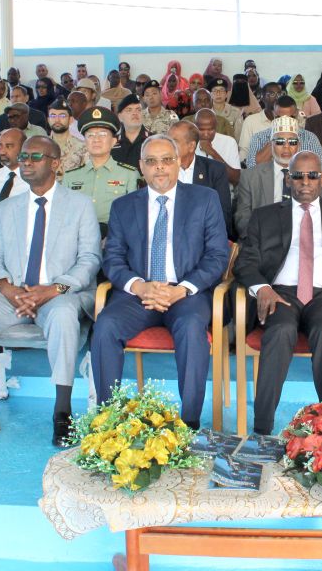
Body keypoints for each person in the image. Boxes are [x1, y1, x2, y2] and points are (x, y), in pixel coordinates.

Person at [0, 136, 101, 446]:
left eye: (36, 157)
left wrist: (51, 290)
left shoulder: (80, 205)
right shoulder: (6, 208)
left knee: (64, 315)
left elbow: (90, 260)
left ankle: (62, 412)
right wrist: (7, 288)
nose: (26, 162)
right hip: (13, 296)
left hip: (60, 294)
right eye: (24, 156)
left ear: (55, 163)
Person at [91, 135, 230, 428]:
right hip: (138, 295)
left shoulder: (204, 199)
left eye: (167, 160)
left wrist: (182, 290)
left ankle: (189, 422)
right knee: (105, 326)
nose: (160, 167)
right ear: (141, 166)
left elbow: (217, 256)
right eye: (152, 161)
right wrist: (139, 286)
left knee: (191, 328)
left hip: (186, 294)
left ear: (178, 163)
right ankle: (108, 420)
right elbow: (112, 259)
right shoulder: (123, 206)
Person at [234, 151, 322, 435]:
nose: (305, 182)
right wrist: (262, 288)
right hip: (280, 294)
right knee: (280, 330)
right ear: (288, 179)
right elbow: (245, 263)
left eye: (312, 175)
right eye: (297, 176)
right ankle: (262, 428)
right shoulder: (264, 216)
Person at [234, 116, 322, 241]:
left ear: (299, 145)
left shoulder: (316, 175)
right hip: (262, 241)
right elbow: (242, 218)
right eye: (279, 141)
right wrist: (262, 241)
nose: (286, 146)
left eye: (292, 142)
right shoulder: (250, 176)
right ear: (271, 144)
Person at [62, 107, 140, 236]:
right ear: (85, 142)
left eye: (103, 134)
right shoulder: (71, 176)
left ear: (113, 141)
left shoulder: (129, 175)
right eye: (90, 135)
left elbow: (133, 216)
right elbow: (65, 215)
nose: (96, 139)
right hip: (78, 237)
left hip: (115, 238)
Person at [168, 121, 234, 240]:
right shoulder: (163, 170)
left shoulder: (214, 170)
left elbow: (223, 214)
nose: (168, 145)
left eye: (174, 141)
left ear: (191, 146)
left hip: (204, 238)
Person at [246, 95, 322, 170]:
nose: (285, 122)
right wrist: (275, 140)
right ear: (274, 115)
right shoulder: (259, 137)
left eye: (290, 118)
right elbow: (251, 167)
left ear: (297, 114)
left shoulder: (309, 138)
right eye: (280, 118)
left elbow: (321, 166)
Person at [193, 109, 241, 183]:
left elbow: (235, 178)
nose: (206, 134)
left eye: (210, 130)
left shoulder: (229, 142)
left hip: (222, 189)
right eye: (201, 130)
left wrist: (213, 153)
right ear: (194, 127)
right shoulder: (189, 142)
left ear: (216, 126)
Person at [46, 97, 87, 176]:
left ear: (71, 120)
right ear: (48, 120)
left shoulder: (83, 147)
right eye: (53, 116)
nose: (57, 120)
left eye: (62, 116)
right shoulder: (41, 146)